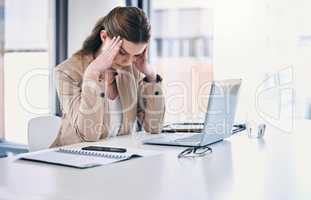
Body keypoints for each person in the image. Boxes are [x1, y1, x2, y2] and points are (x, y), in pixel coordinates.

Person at [50, 6, 165, 147]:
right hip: (73, 160)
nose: (129, 61)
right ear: (104, 37)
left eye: (136, 54)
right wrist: (92, 74)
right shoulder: (67, 72)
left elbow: (154, 127)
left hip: (116, 159)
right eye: (122, 52)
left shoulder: (131, 69)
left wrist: (151, 77)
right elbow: (89, 135)